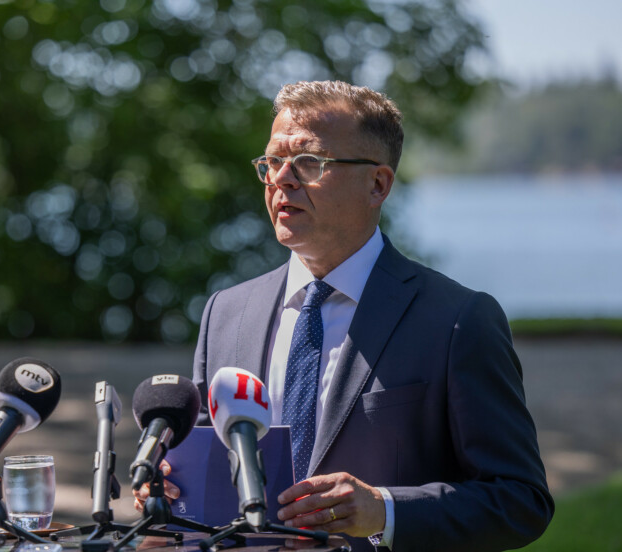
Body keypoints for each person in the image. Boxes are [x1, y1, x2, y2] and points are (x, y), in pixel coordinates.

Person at [141, 81, 554, 551]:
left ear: (377, 184)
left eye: (309, 163)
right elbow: (202, 471)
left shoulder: (459, 320)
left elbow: (521, 501)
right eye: (273, 162)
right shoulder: (226, 312)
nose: (282, 179)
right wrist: (169, 495)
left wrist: (385, 510)